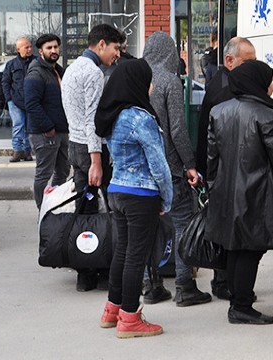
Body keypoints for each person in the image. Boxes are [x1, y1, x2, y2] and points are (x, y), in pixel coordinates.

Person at [206, 60, 273, 325]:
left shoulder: (218, 111)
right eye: (269, 80)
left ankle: (238, 300)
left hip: (226, 192)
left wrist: (213, 189)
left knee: (236, 246)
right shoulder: (269, 115)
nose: (272, 86)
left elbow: (212, 159)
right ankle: (241, 305)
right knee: (251, 249)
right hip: (257, 194)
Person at [95, 59, 172, 338]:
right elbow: (159, 165)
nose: (151, 86)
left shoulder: (113, 114)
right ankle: (130, 319)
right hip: (141, 194)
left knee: (123, 253)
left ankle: (112, 311)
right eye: (148, 80)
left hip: (117, 190)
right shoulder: (140, 117)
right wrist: (167, 198)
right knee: (136, 258)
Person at [141, 31, 212, 307]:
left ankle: (151, 285)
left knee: (148, 226)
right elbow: (178, 131)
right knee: (183, 222)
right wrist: (190, 164)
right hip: (170, 167)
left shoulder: (139, 78)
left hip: (143, 169)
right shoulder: (170, 81)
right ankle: (184, 285)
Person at [61, 24, 124, 292]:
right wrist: (97, 161)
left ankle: (84, 271)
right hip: (91, 149)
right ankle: (109, 266)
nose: (117, 54)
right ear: (101, 44)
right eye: (115, 47)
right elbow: (92, 121)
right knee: (110, 208)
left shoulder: (72, 68)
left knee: (85, 208)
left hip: (74, 146)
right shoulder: (94, 72)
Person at [197, 36, 256, 300]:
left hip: (223, 169)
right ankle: (225, 283)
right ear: (230, 61)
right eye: (248, 62)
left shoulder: (225, 82)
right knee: (228, 229)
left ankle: (227, 281)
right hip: (225, 170)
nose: (253, 68)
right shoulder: (226, 89)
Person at [24, 34, 70, 210]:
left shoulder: (57, 70)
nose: (53, 50)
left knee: (63, 171)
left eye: (56, 47)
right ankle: (42, 210)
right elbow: (31, 104)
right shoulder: (36, 72)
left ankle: (54, 206)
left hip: (61, 130)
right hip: (45, 133)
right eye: (49, 48)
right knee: (44, 174)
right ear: (40, 51)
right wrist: (47, 127)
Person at [3, 37, 36, 162]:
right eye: (26, 47)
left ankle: (27, 151)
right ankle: (17, 150)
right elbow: (5, 82)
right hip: (16, 101)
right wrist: (9, 99)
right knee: (18, 125)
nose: (29, 49)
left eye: (30, 46)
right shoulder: (11, 65)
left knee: (29, 126)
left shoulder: (36, 62)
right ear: (18, 49)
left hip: (32, 100)